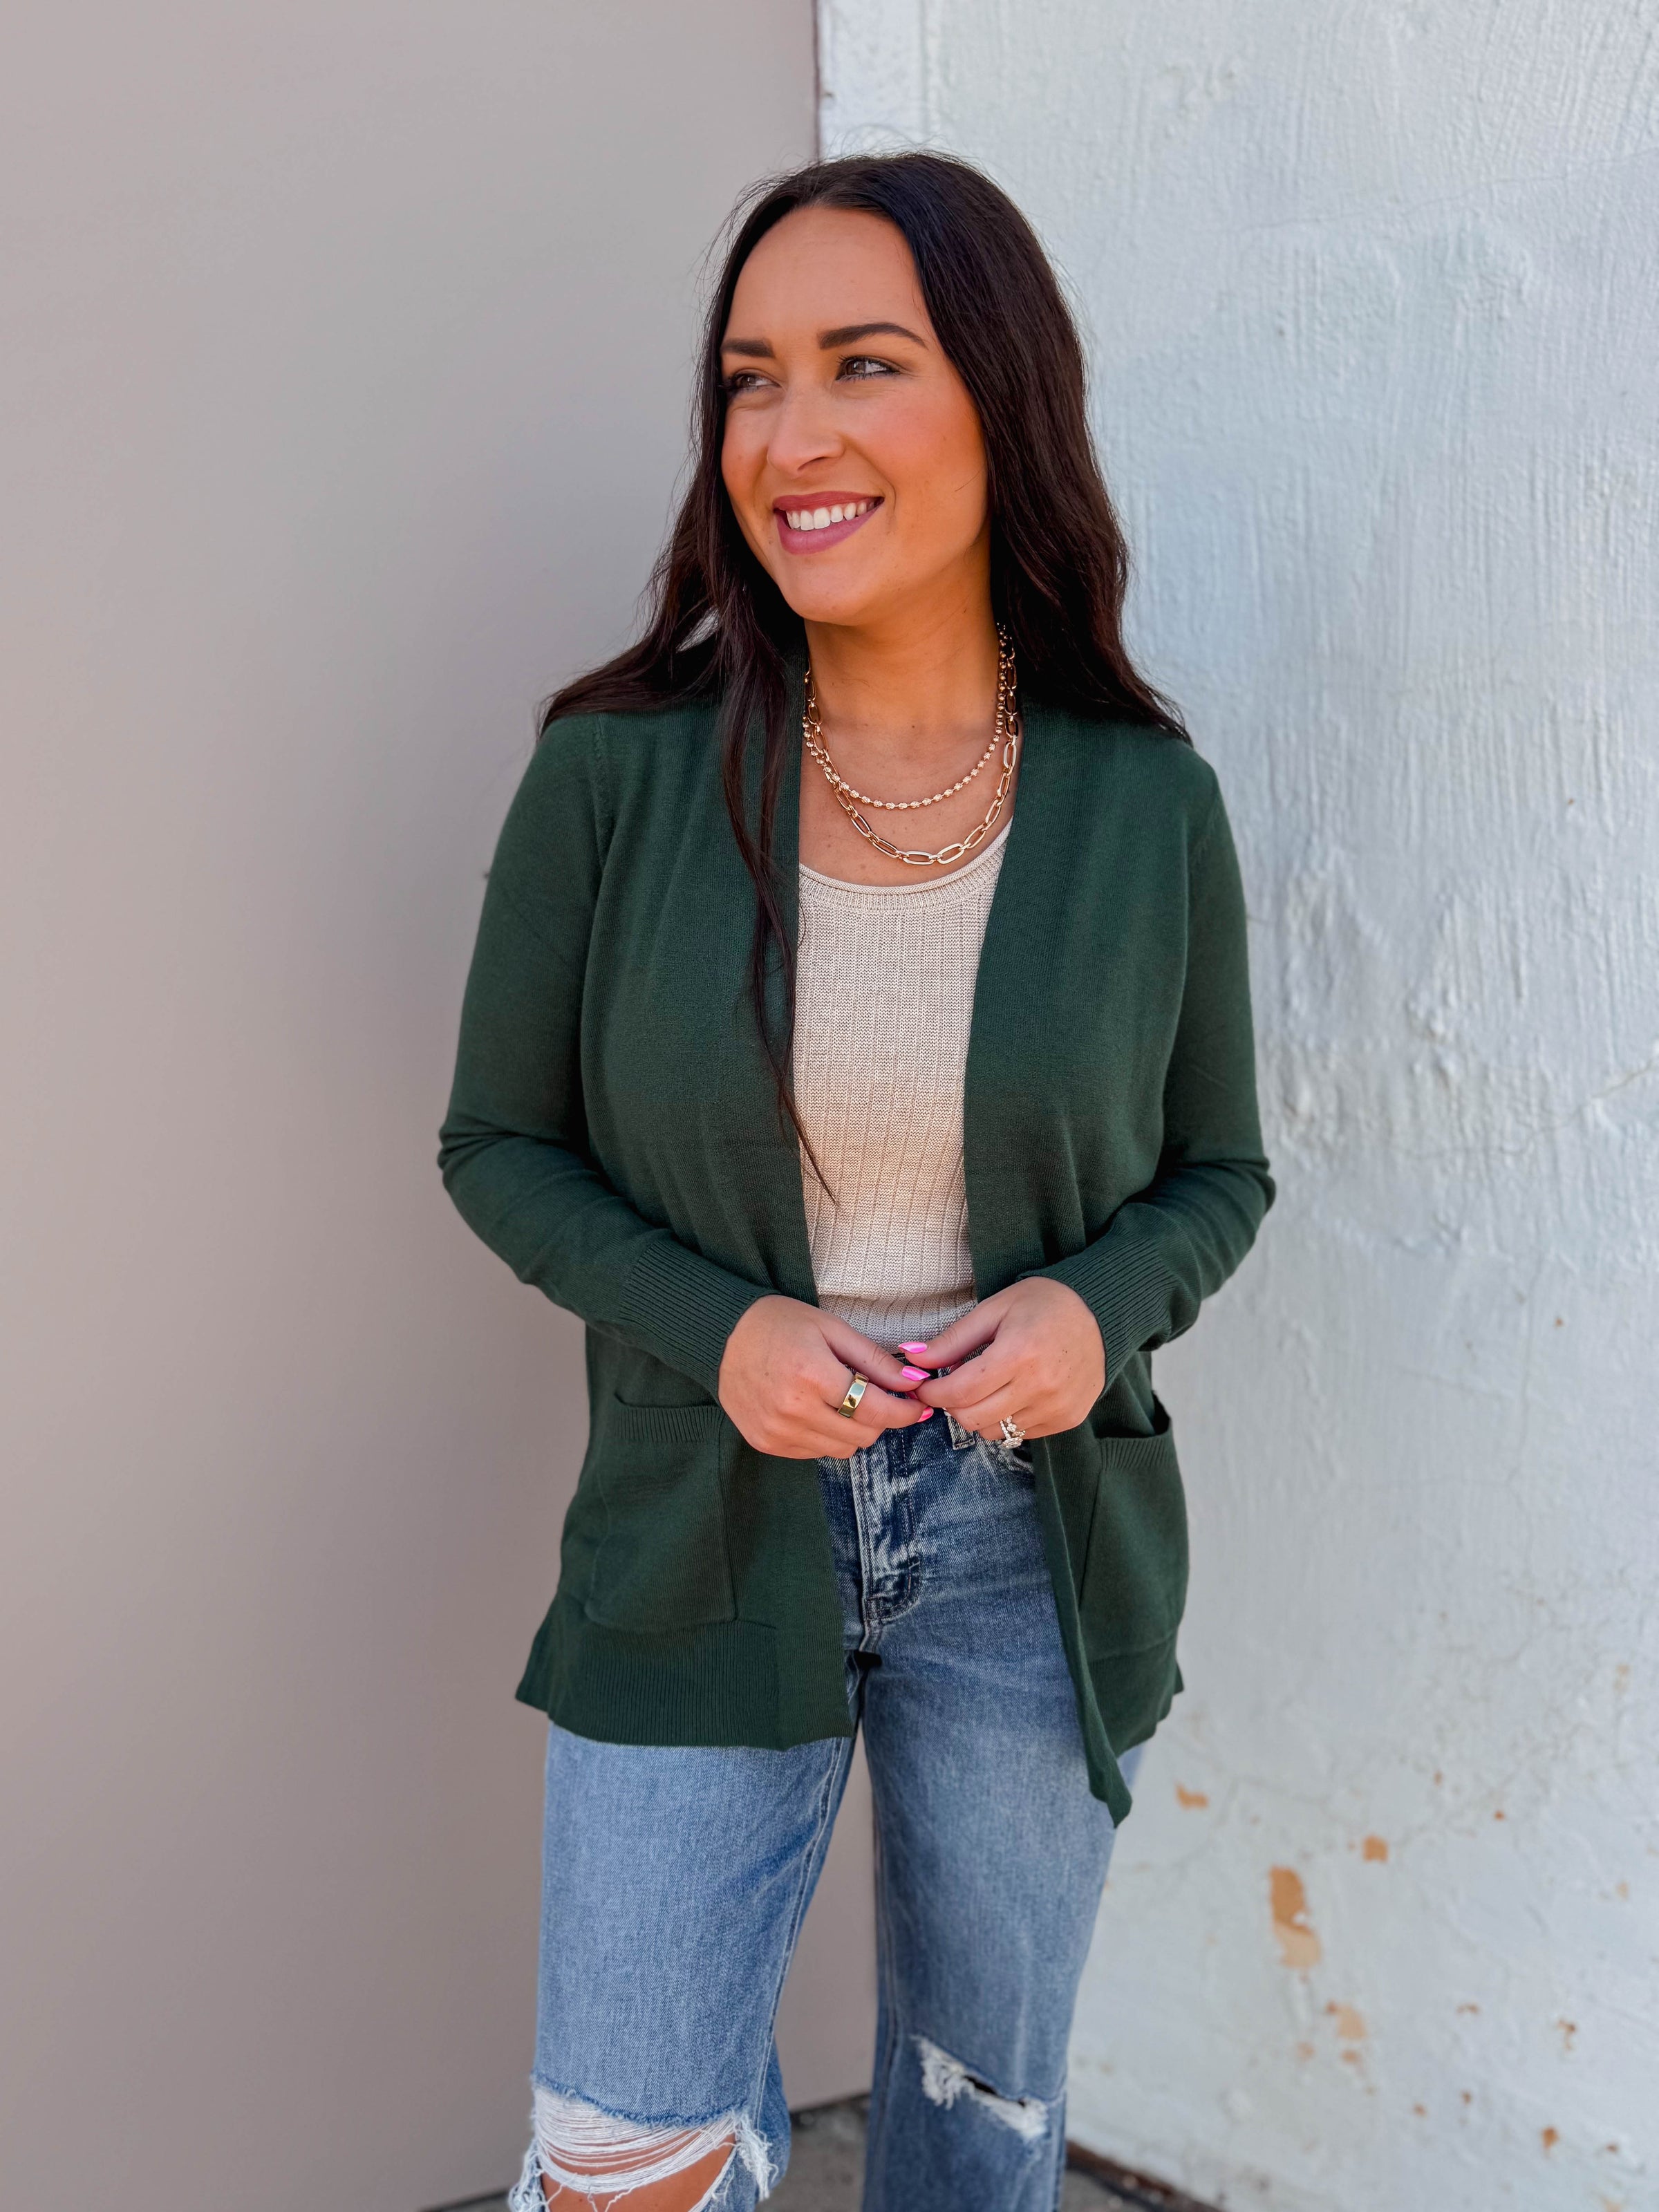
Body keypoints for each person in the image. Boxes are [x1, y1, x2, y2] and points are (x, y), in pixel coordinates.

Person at [438, 150, 1272, 2212]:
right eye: (750, 379)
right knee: (623, 2156)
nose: (789, 434)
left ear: (1003, 397)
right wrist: (722, 1330)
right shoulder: (616, 774)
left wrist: (1093, 1309)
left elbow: (1218, 1174)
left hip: (1028, 1538)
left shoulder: (1145, 803)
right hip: (703, 1520)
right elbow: (498, 1146)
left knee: (982, 2121)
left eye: (863, 364)